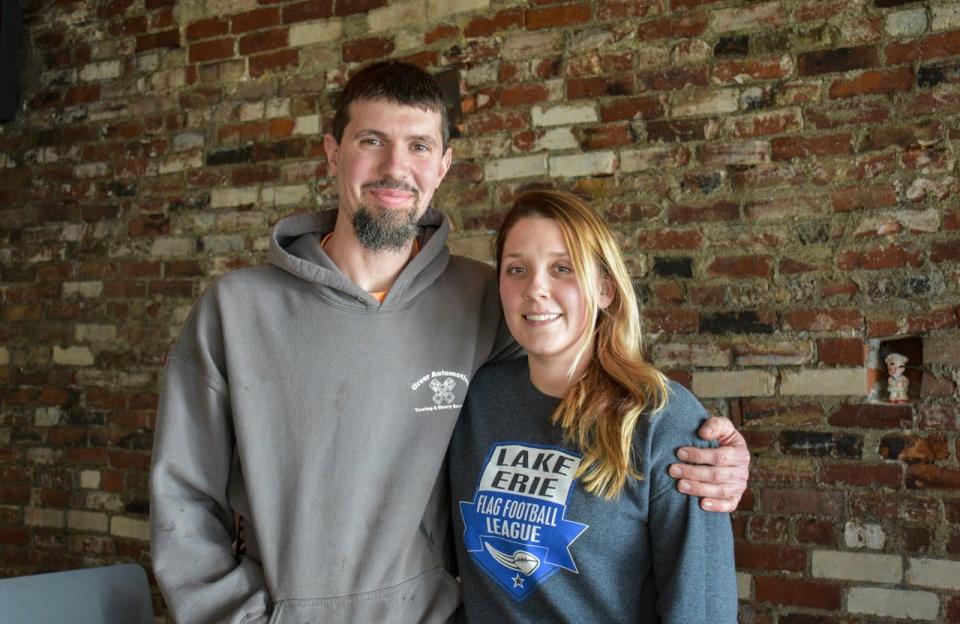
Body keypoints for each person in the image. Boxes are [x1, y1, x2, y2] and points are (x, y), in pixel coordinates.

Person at [150, 61, 748, 624]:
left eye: (418, 146)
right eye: (370, 141)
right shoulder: (233, 311)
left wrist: (707, 451)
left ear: (443, 164)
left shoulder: (484, 300)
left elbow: (581, 367)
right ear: (333, 153)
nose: (395, 167)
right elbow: (182, 498)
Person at [449, 190, 737, 622]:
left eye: (562, 268)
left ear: (604, 288)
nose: (535, 290)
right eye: (517, 270)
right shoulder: (472, 400)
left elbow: (703, 609)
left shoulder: (662, 419)